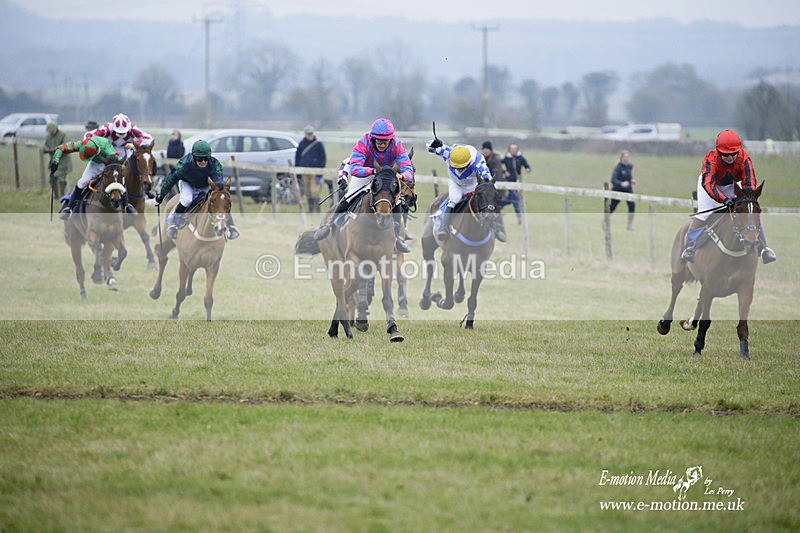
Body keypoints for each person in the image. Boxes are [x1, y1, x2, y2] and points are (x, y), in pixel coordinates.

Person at [313, 118, 414, 253]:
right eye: (379, 141)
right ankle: (329, 225)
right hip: (364, 174)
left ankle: (399, 237)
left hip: (386, 177)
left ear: (391, 139)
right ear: (373, 138)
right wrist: (372, 171)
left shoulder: (396, 144)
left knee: (397, 201)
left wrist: (403, 176)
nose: (382, 145)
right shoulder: (364, 142)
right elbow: (354, 168)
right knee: (349, 196)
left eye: (385, 142)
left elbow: (408, 168)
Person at [680, 129, 776, 264]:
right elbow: (709, 185)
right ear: (719, 152)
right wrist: (724, 199)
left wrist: (746, 197)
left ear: (739, 151)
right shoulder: (710, 159)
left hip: (732, 184)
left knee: (749, 210)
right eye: (726, 155)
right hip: (710, 184)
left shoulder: (745, 159)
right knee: (704, 214)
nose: (730, 158)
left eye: (733, 154)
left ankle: (764, 249)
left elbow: (749, 181)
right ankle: (690, 246)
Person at [155, 140, 239, 240]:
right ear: (194, 157)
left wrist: (218, 191)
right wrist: (161, 196)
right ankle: (174, 224)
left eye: (206, 159)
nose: (203, 162)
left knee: (220, 199)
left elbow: (218, 183)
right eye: (200, 159)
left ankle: (231, 226)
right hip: (188, 183)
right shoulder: (184, 165)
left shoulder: (215, 164)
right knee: (187, 200)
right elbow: (170, 180)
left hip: (205, 184)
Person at [426, 139, 506, 243]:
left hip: (473, 185)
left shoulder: (478, 161)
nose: (459, 170)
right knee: (454, 199)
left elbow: (487, 181)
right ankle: (443, 228)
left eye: (462, 167)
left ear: (468, 163)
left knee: (485, 200)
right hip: (456, 184)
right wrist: (434, 143)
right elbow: (428, 146)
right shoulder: (449, 153)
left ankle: (495, 227)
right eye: (456, 167)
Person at [50, 136, 132, 220]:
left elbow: (119, 164)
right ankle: (69, 208)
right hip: (95, 165)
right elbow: (61, 148)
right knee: (82, 182)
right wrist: (55, 161)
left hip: (110, 165)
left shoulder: (107, 148)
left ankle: (126, 205)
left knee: (121, 179)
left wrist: (122, 167)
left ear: (97, 151)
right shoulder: (81, 144)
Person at [84, 113, 154, 160]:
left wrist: (134, 144)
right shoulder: (107, 128)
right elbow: (88, 135)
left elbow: (150, 139)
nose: (121, 134)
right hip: (109, 152)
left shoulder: (132, 129)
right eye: (119, 132)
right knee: (84, 181)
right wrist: (96, 145)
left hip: (127, 152)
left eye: (123, 132)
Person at [295, 125, 327, 213]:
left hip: (315, 172)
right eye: (308, 134)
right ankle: (310, 209)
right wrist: (297, 172)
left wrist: (320, 174)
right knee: (307, 191)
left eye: (311, 134)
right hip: (304, 171)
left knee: (314, 191)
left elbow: (322, 159)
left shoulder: (318, 145)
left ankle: (316, 210)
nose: (309, 135)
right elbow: (297, 158)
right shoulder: (301, 144)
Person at [499, 143, 531, 223]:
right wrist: (504, 171)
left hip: (517, 182)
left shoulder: (520, 158)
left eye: (515, 149)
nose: (513, 151)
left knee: (509, 199)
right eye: (511, 149)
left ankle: (497, 207)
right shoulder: (506, 158)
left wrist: (528, 169)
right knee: (515, 198)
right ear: (509, 150)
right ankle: (519, 216)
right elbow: (498, 165)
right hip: (508, 181)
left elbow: (526, 165)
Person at [609, 150, 636, 231]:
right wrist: (621, 184)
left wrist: (631, 181)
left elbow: (628, 177)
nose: (626, 159)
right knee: (612, 207)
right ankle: (605, 221)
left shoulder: (629, 166)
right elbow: (613, 180)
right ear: (621, 158)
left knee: (632, 205)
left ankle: (629, 225)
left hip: (628, 190)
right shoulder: (618, 167)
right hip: (618, 190)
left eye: (627, 157)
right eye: (625, 157)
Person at [42, 122, 71, 198]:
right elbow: (45, 146)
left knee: (61, 178)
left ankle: (62, 194)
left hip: (63, 161)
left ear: (55, 129)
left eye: (52, 131)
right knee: (52, 178)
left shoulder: (63, 135)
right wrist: (45, 149)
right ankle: (56, 195)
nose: (51, 132)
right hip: (54, 161)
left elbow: (66, 147)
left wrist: (55, 150)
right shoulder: (48, 136)